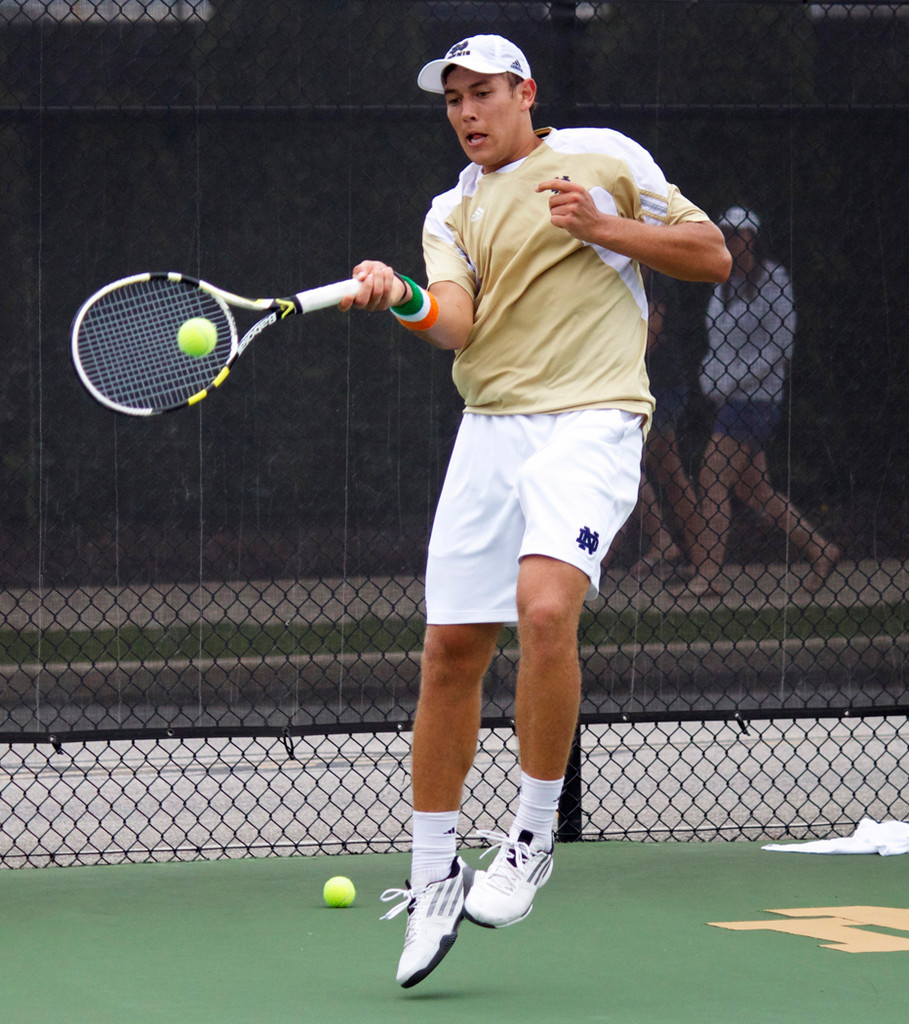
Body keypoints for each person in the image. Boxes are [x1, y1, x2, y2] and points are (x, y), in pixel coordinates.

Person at [340, 34, 731, 988]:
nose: (466, 113)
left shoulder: (605, 155)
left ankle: (528, 835)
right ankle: (433, 875)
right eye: (452, 101)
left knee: (547, 611)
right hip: (491, 428)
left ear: (525, 93)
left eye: (483, 94)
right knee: (450, 654)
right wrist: (399, 301)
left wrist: (607, 229)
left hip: (593, 418)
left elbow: (711, 256)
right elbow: (457, 323)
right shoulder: (451, 208)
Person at [683, 206, 839, 597]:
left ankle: (708, 574)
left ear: (752, 237)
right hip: (730, 397)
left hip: (756, 398)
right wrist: (713, 379)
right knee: (755, 491)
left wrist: (732, 379)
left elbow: (780, 346)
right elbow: (717, 343)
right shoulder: (723, 282)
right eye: (725, 233)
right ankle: (820, 549)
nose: (730, 239)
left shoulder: (773, 282)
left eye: (737, 234)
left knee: (711, 477)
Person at [629, 270, 708, 579]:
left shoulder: (655, 279)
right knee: (663, 474)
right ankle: (686, 550)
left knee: (643, 468)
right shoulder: (623, 270)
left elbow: (654, 329)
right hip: (646, 384)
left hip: (659, 385)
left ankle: (684, 549)